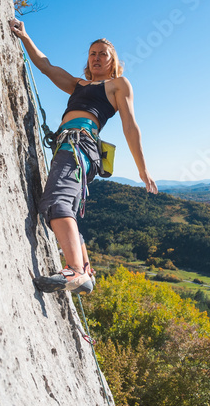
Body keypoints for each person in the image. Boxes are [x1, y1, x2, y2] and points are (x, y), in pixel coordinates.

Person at [10, 18, 158, 293]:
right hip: (69, 146)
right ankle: (86, 270)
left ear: (113, 62)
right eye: (93, 53)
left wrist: (142, 169)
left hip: (80, 144)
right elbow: (45, 66)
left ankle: (75, 271)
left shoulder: (117, 85)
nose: (97, 58)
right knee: (64, 205)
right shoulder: (78, 85)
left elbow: (130, 125)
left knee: (57, 202)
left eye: (104, 54)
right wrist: (25, 36)